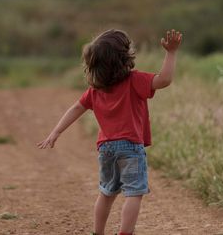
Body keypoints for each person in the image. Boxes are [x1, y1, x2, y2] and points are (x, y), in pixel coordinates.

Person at [37, 29, 182, 235]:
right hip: (131, 146)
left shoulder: (96, 89)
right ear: (124, 58)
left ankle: (98, 233)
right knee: (134, 194)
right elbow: (165, 80)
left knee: (106, 193)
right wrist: (172, 53)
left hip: (106, 148)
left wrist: (56, 132)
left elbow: (76, 108)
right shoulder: (134, 80)